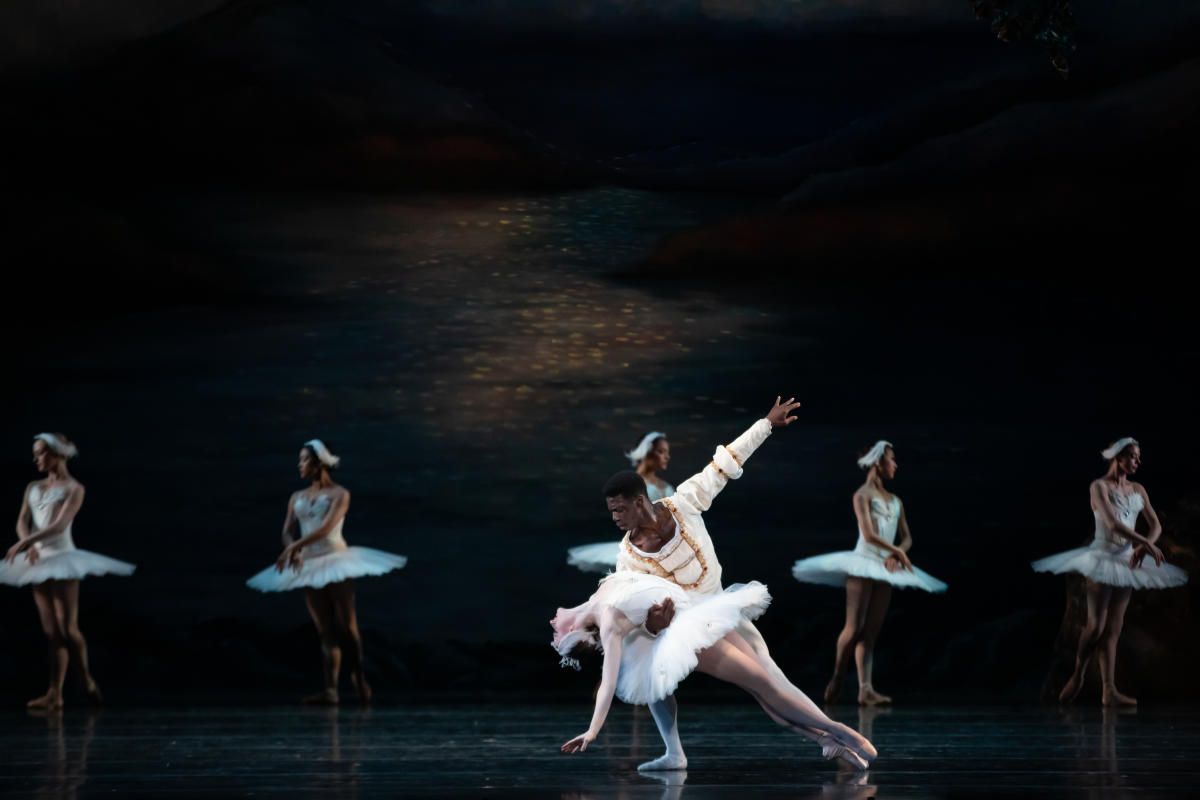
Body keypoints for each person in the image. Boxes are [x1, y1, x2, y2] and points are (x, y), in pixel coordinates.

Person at [247, 440, 407, 705]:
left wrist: (295, 547)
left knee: (347, 626)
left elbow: (325, 528)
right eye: (300, 460)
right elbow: (287, 531)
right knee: (324, 629)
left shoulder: (340, 494)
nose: (299, 465)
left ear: (319, 463)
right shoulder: (296, 497)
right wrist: (292, 548)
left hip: (336, 560)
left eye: (304, 460)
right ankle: (331, 690)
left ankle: (358, 676)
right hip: (308, 563)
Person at [791, 441, 947, 705]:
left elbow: (907, 537)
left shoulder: (895, 501)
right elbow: (869, 534)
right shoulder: (861, 495)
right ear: (877, 462)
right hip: (863, 562)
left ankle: (865, 689)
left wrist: (897, 554)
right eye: (891, 459)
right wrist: (897, 552)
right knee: (854, 627)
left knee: (871, 632)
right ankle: (838, 676)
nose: (895, 464)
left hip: (885, 566)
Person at [1, 433, 135, 710]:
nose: (36, 458)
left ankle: (86, 680)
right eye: (35, 453)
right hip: (38, 559)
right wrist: (29, 543)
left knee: (67, 628)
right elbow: (22, 520)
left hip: (63, 558)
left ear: (58, 454)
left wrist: (25, 543)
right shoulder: (33, 487)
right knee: (51, 632)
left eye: (41, 453)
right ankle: (55, 694)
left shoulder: (75, 488)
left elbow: (60, 526)